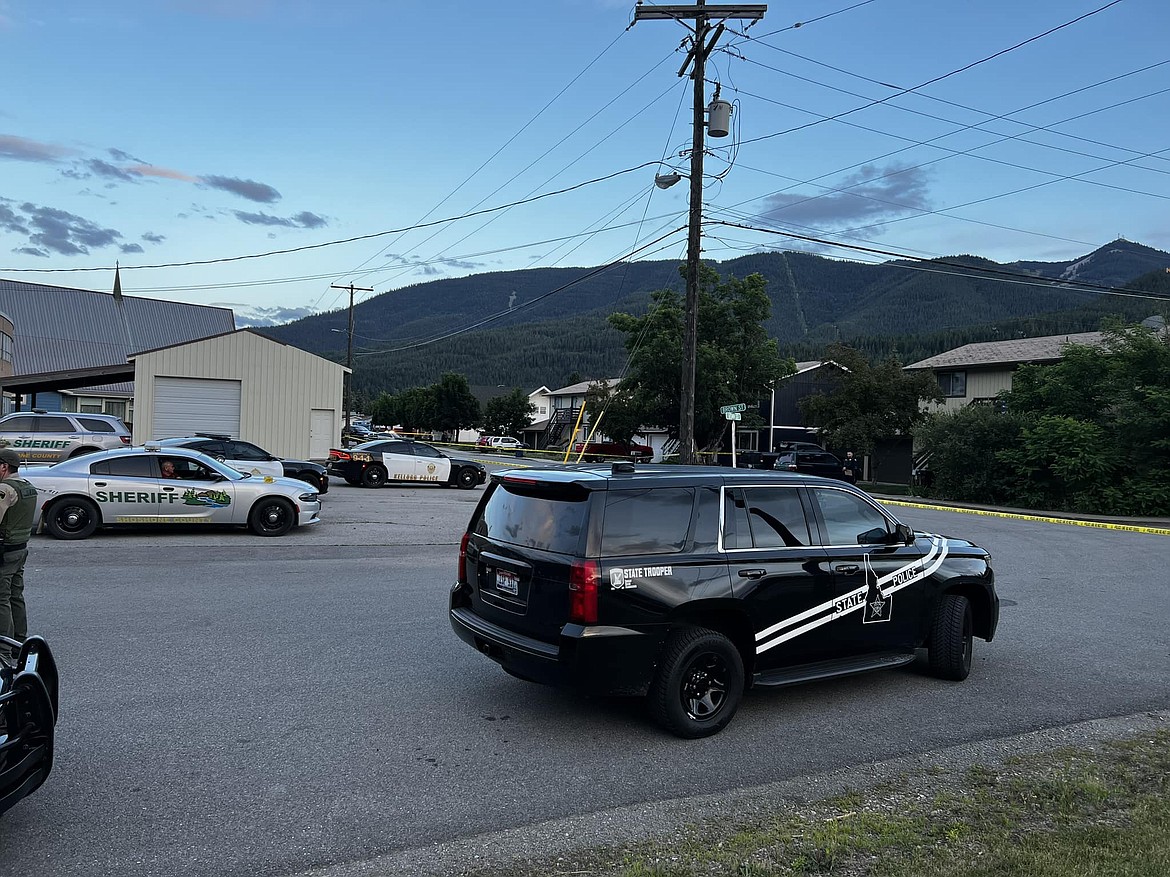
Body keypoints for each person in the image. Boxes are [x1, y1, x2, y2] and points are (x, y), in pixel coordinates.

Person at [0, 448, 39, 662]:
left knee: (1, 599)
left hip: (4, 551)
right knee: (16, 595)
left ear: (4, 466)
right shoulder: (28, 487)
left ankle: (3, 650)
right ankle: (19, 642)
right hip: (20, 548)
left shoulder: (5, 488)